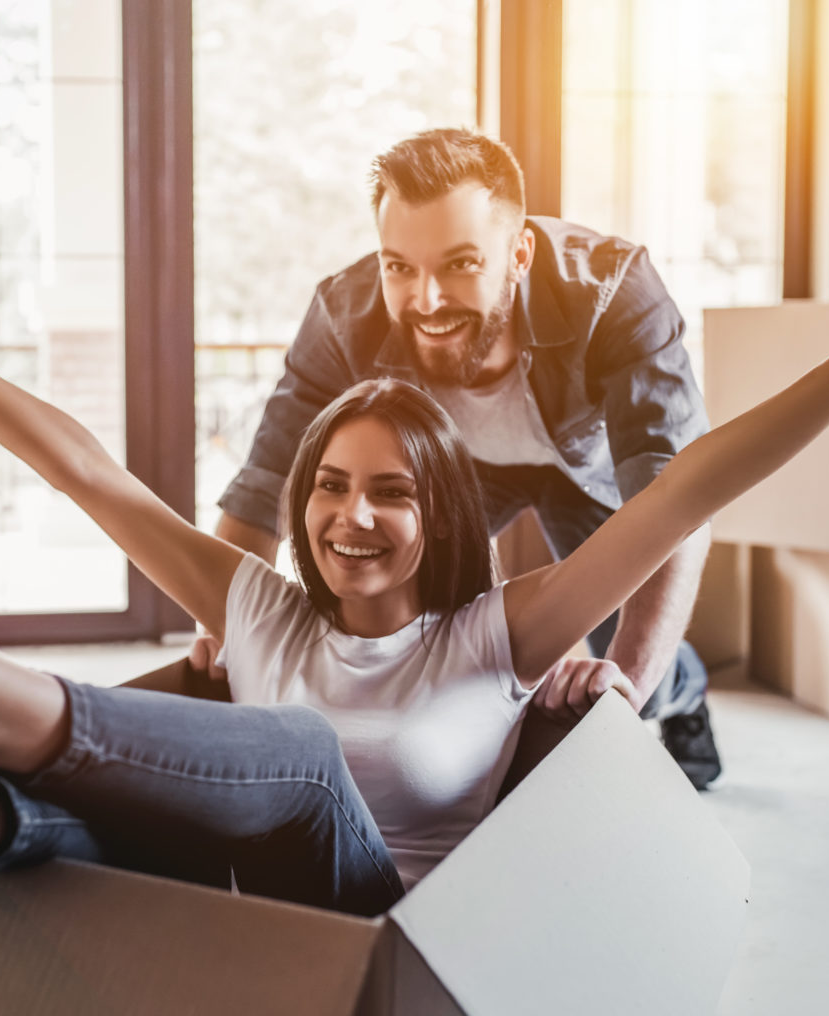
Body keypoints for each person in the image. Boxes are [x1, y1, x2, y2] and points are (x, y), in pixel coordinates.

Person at [0, 171, 829, 969]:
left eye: (390, 490)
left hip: (383, 938)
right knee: (67, 820)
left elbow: (692, 483)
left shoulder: (500, 634)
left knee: (295, 753)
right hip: (237, 907)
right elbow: (90, 472)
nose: (351, 515)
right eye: (331, 486)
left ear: (439, 508)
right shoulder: (257, 604)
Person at [196, 128, 721, 786]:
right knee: (429, 611)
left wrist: (628, 692)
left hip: (589, 470)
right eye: (400, 267)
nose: (428, 299)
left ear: (520, 252)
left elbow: (677, 501)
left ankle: (686, 693)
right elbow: (265, 483)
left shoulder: (617, 291)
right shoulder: (343, 315)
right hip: (461, 470)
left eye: (461, 264)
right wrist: (223, 627)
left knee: (635, 641)